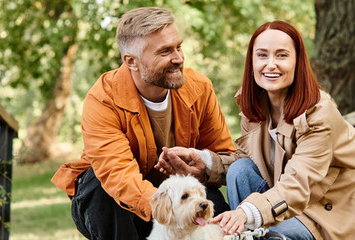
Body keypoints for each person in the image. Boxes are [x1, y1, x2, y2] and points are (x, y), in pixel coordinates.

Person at [157, 20, 355, 240]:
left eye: (282, 55)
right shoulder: (256, 107)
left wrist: (244, 214)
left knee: (268, 234)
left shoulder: (320, 114)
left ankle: (257, 233)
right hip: (285, 206)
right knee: (239, 170)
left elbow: (298, 184)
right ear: (252, 61)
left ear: (297, 62)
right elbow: (251, 162)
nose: (271, 64)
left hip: (330, 214)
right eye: (262, 55)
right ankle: (254, 234)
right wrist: (205, 162)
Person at [51, 7, 236, 240]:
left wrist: (203, 167)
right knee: (98, 185)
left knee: (211, 201)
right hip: (119, 209)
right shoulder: (103, 99)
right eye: (165, 51)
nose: (179, 58)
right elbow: (118, 176)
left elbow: (225, 155)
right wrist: (166, 209)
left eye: (178, 47)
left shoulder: (200, 87)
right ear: (131, 61)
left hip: (180, 199)